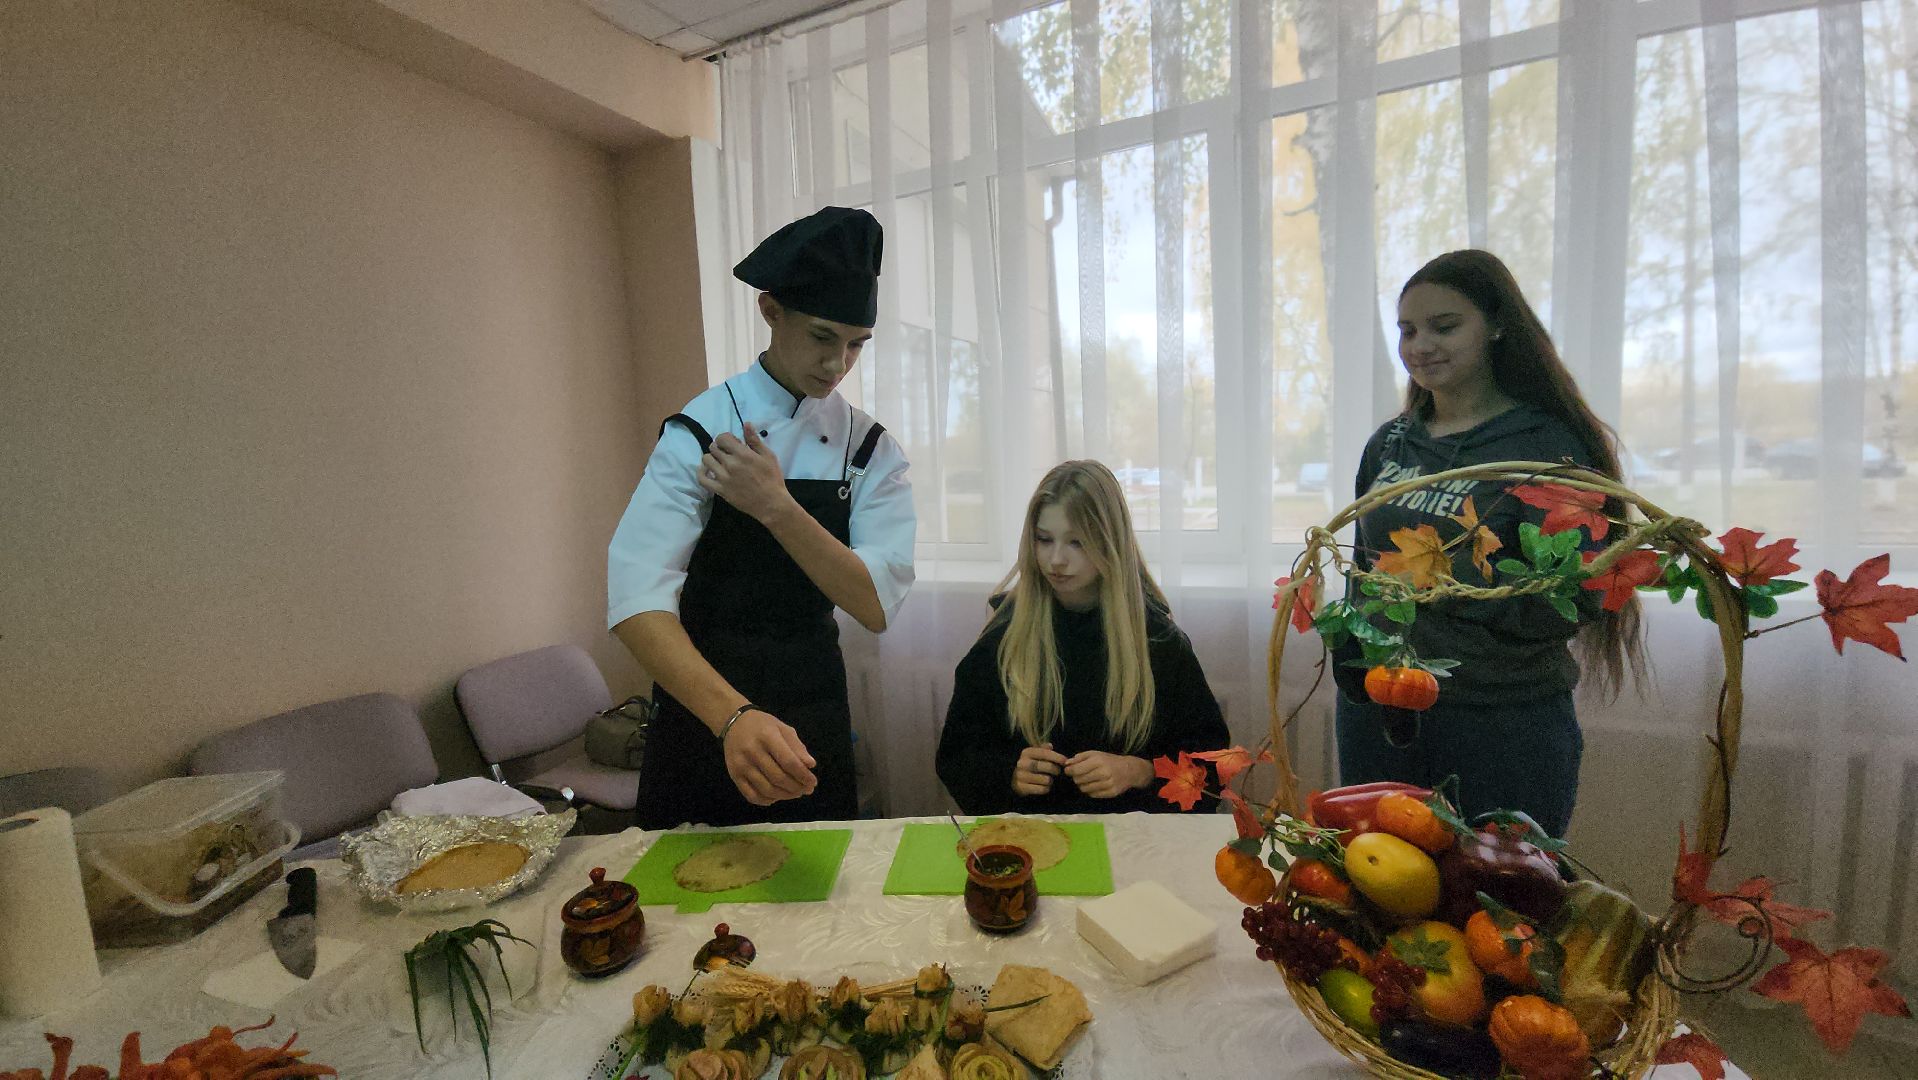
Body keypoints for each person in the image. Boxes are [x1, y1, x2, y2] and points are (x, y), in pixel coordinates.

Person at [607, 206, 915, 829]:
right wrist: (732, 717)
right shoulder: (699, 430)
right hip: (702, 703)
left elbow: (875, 604)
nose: (838, 365)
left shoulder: (870, 450)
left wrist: (777, 507)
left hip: (810, 706)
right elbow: (635, 599)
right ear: (770, 310)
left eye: (857, 345)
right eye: (823, 337)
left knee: (818, 901)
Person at [1335, 249, 1645, 838]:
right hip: (1381, 717)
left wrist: (1449, 592)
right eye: (1408, 330)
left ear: (1498, 325)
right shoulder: (1390, 446)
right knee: (1374, 903)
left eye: (1444, 326)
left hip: (1499, 726)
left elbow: (1576, 598)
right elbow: (1361, 572)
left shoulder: (1545, 447)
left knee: (1497, 914)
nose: (1420, 344)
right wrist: (1354, 666)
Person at [936, 461, 1229, 815]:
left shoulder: (1158, 643)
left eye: (1077, 542)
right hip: (1033, 838)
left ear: (1109, 543)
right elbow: (957, 755)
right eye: (1044, 540)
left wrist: (1139, 771)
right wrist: (1009, 773)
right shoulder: (1004, 639)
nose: (1056, 560)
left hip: (1130, 844)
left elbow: (1210, 765)